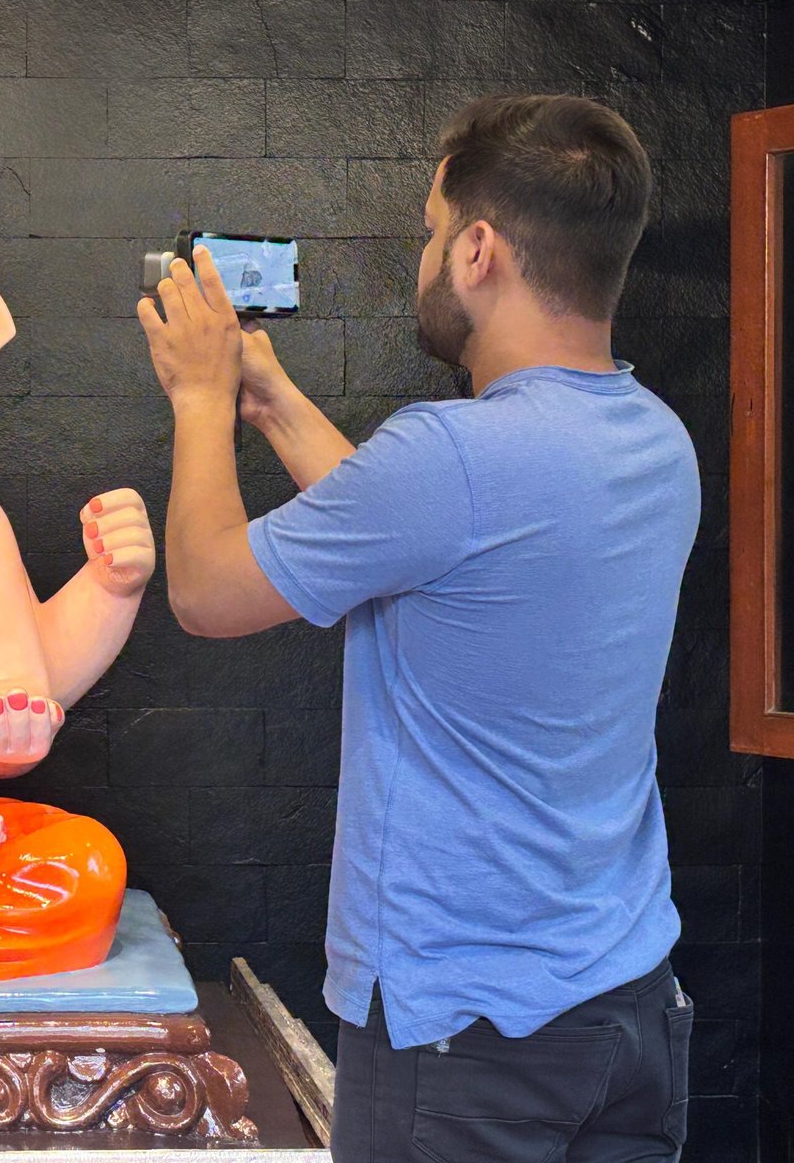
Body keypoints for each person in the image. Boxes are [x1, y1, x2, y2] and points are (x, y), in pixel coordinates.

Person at [137, 94, 699, 1162]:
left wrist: (199, 399)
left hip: (466, 1041)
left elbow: (207, 593)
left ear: (479, 252)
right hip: (628, 1009)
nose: (427, 258)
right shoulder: (656, 440)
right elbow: (432, 544)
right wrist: (271, 401)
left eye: (433, 233)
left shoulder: (449, 456)